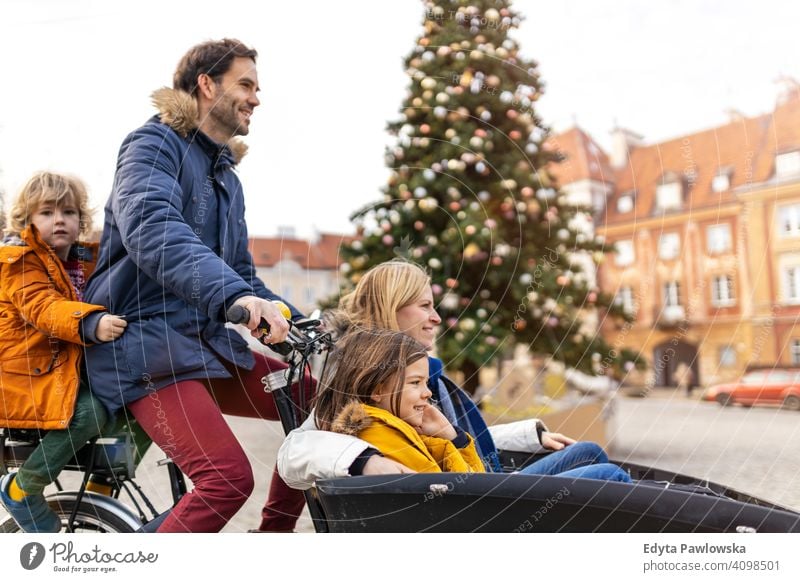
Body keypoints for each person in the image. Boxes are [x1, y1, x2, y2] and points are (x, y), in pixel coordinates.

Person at [82, 38, 312, 533]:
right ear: (207, 85)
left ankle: (272, 538)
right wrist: (234, 298)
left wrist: (296, 314)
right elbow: (154, 230)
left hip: (201, 344)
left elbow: (243, 274)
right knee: (226, 479)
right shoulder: (153, 145)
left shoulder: (226, 178)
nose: (256, 98)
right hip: (143, 348)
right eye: (245, 84)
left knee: (316, 402)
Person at [278, 260, 631, 487]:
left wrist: (527, 434)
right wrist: (365, 461)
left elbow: (447, 433)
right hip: (478, 494)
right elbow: (297, 449)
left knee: (588, 452)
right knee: (608, 476)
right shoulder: (371, 377)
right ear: (391, 309)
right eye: (425, 307)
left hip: (479, 477)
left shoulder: (411, 372)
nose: (436, 318)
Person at [0, 172, 128, 532]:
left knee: (143, 400)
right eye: (46, 212)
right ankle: (23, 487)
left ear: (81, 221)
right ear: (26, 221)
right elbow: (44, 307)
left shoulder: (83, 260)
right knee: (92, 412)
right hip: (25, 377)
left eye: (68, 212)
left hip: (62, 369)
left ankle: (103, 483)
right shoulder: (18, 262)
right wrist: (90, 322)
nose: (59, 220)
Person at [317, 329, 484, 473]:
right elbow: (467, 496)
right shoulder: (382, 432)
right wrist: (453, 444)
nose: (427, 393)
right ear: (378, 391)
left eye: (425, 383)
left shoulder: (396, 429)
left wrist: (452, 436)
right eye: (415, 382)